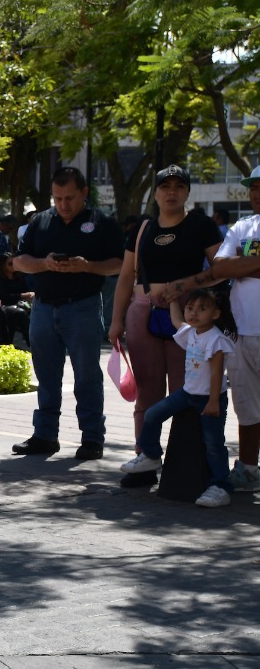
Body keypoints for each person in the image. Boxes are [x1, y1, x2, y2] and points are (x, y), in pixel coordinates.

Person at [108, 166, 223, 485]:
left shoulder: (201, 224)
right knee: (148, 391)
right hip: (142, 311)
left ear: (188, 192)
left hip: (188, 314)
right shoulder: (143, 228)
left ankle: (188, 463)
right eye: (165, 186)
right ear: (155, 192)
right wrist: (116, 321)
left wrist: (186, 284)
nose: (172, 192)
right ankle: (145, 457)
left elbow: (221, 269)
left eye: (179, 186)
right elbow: (125, 278)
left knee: (187, 390)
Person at [154, 164, 260, 492]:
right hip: (242, 332)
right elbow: (221, 268)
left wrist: (241, 266)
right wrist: (239, 267)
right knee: (247, 406)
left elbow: (231, 268)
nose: (256, 194)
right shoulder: (243, 227)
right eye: (253, 188)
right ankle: (248, 469)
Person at [9, 165, 124, 458]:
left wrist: (88, 266)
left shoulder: (101, 222)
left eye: (70, 198)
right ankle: (45, 435)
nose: (63, 205)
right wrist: (44, 263)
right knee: (46, 374)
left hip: (83, 306)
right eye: (57, 198)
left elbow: (121, 263)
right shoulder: (41, 221)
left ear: (84, 193)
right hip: (44, 307)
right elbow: (19, 261)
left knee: (86, 375)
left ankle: (92, 438)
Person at [118, 290, 235, 507]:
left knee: (213, 444)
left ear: (216, 313)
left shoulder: (216, 340)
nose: (194, 314)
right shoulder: (190, 332)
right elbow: (176, 321)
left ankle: (220, 486)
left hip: (209, 398)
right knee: (152, 414)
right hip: (187, 394)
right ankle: (151, 455)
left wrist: (212, 401)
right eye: (190, 308)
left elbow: (217, 373)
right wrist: (173, 301)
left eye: (202, 309)